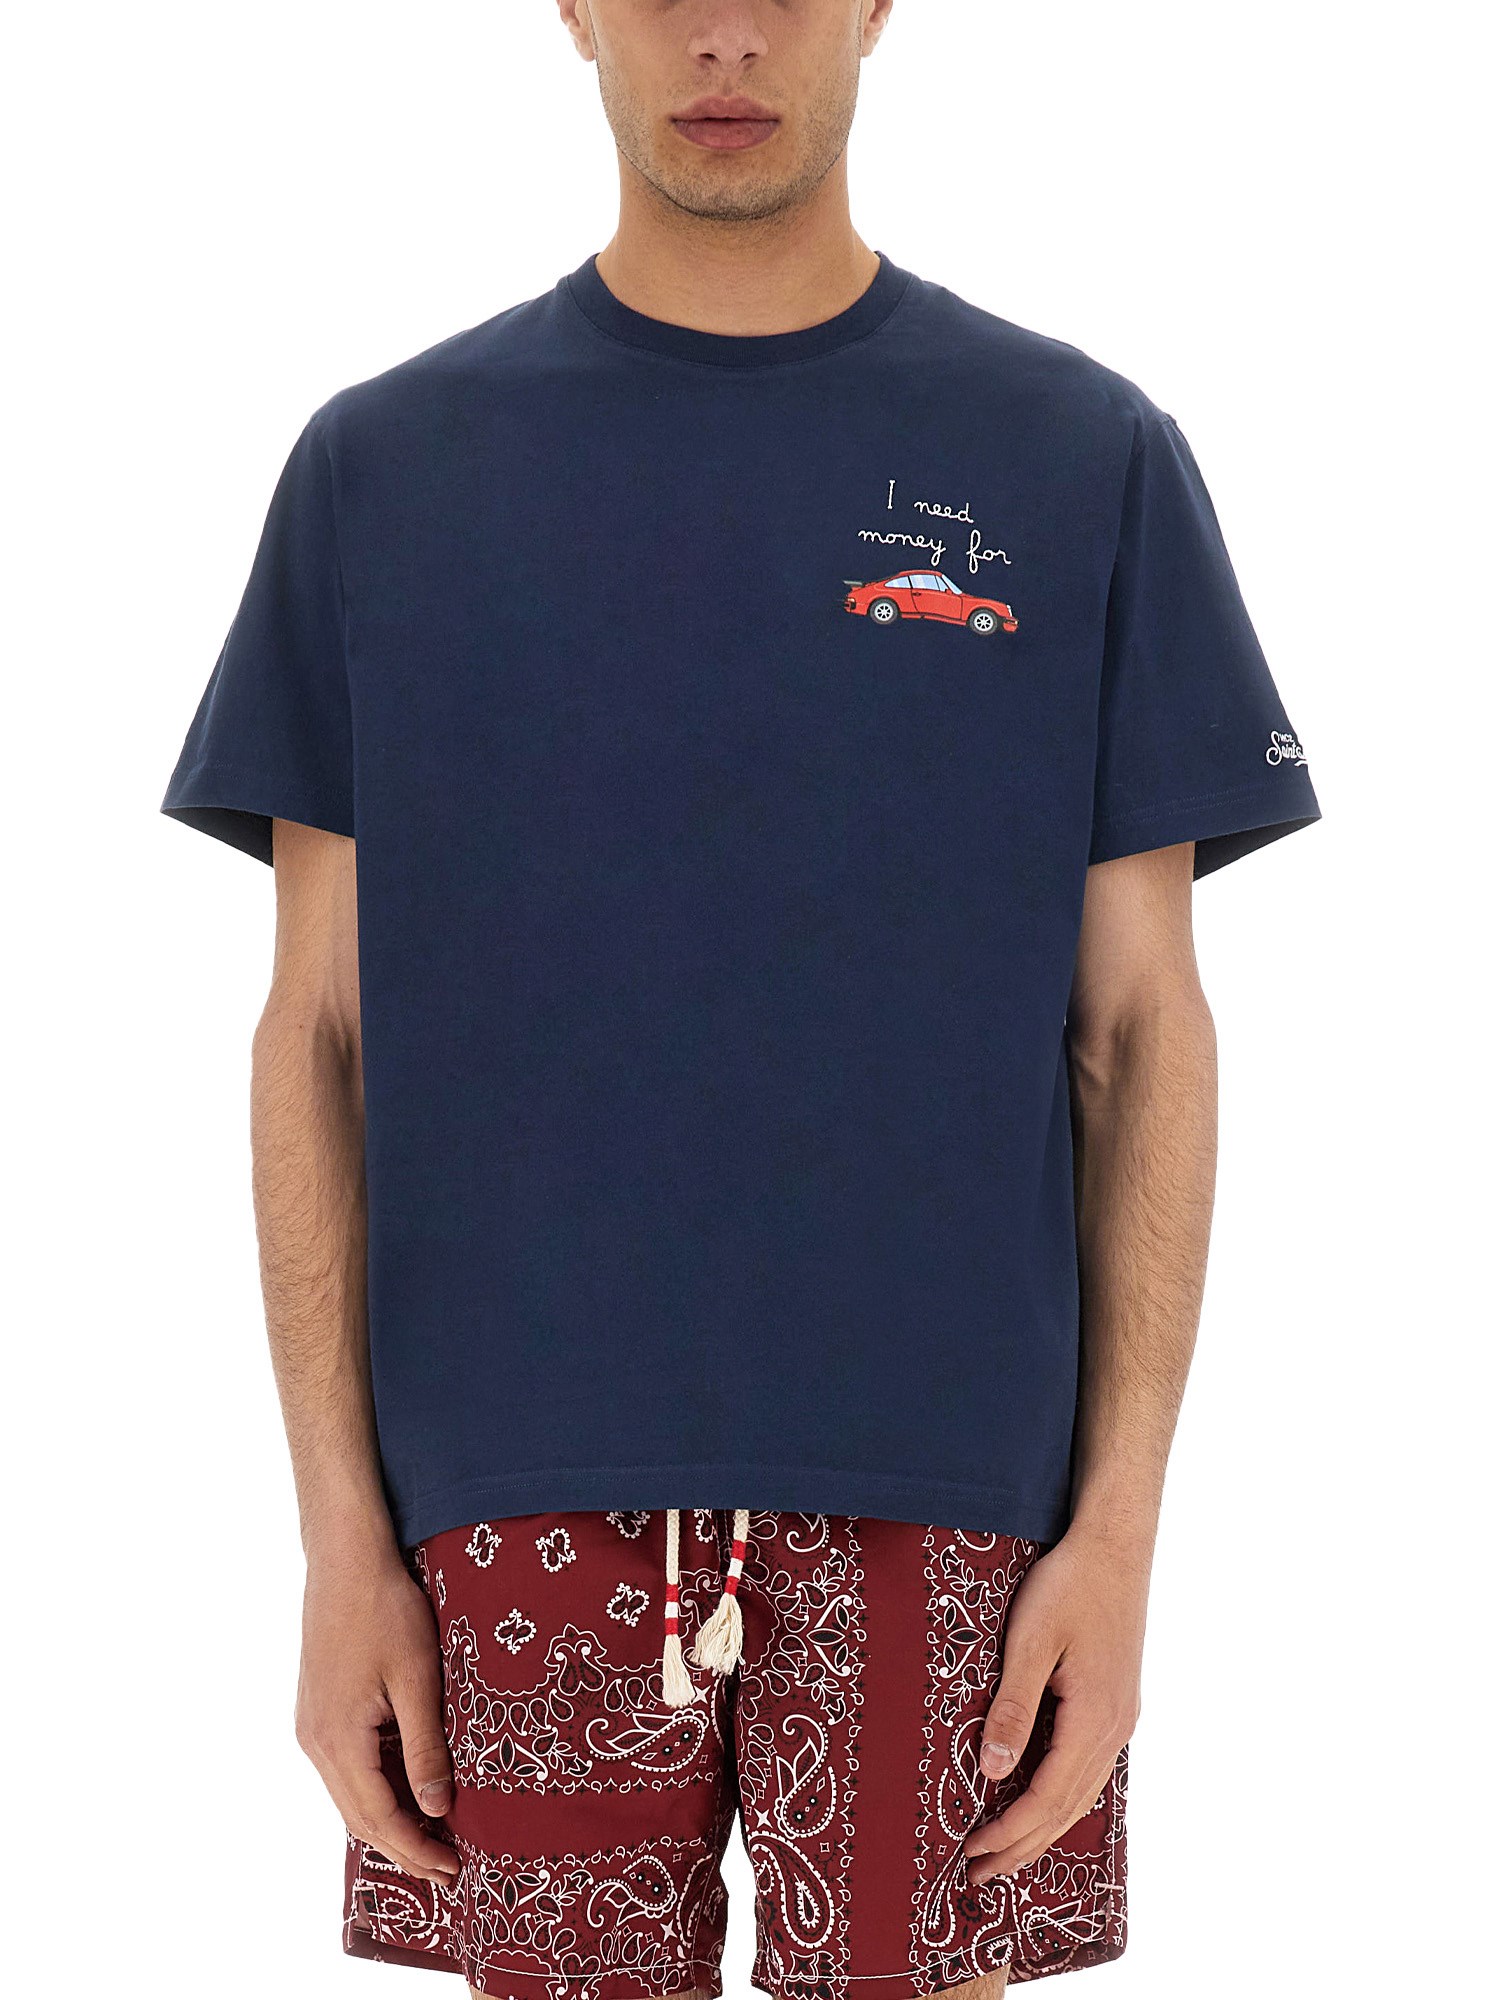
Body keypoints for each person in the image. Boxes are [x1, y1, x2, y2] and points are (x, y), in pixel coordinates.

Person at [161, 3, 1320, 1994]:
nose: (724, 29)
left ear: (878, 5)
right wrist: (339, 1537)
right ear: (571, 8)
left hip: (953, 1492)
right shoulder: (384, 472)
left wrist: (1121, 1532)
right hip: (506, 1490)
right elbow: (316, 1036)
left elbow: (1143, 1030)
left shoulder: (1080, 456)